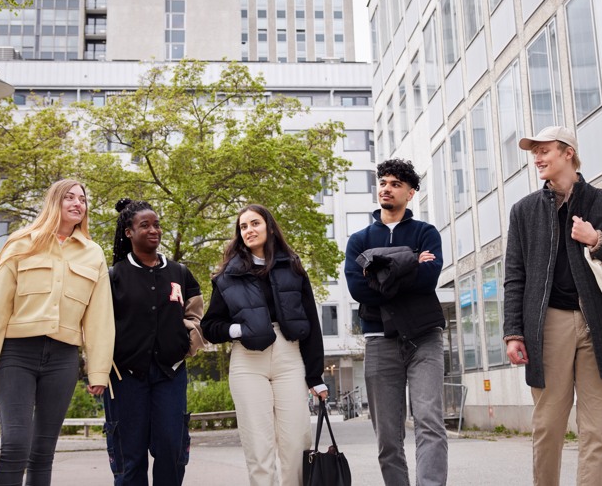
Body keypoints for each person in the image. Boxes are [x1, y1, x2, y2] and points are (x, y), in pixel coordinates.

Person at [503, 126, 602, 486]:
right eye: (533, 152)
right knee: (548, 428)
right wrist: (513, 332)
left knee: (596, 432)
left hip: (600, 325)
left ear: (568, 152)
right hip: (548, 325)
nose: (536, 157)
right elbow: (514, 276)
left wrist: (597, 240)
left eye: (544, 150)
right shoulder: (524, 212)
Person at [0, 179, 115, 486]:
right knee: (16, 445)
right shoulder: (21, 243)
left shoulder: (93, 254)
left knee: (43, 450)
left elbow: (100, 318)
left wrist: (98, 371)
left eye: (82, 199)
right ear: (54, 202)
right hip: (17, 354)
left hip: (63, 358)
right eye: (70, 198)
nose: (78, 203)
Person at [200, 204, 327, 486]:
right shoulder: (226, 277)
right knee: (258, 446)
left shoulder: (292, 267)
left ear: (269, 227)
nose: (249, 230)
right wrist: (239, 329)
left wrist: (315, 376)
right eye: (243, 227)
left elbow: (312, 324)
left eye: (254, 223)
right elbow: (210, 326)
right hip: (247, 361)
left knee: (297, 442)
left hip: (289, 356)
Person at [344, 158, 447, 486]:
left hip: (425, 337)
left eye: (395, 184)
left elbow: (428, 280)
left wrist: (380, 272)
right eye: (383, 183)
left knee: (429, 423)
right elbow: (358, 288)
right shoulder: (359, 241)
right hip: (379, 338)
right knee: (388, 437)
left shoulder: (425, 232)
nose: (386, 188)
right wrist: (411, 262)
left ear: (411, 193)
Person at [103, 199, 206, 485]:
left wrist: (186, 343)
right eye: (145, 225)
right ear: (128, 232)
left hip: (170, 375)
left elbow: (195, 315)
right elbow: (100, 326)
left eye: (157, 224)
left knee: (172, 450)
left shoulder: (180, 273)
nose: (154, 230)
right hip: (125, 377)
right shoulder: (113, 277)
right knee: (130, 456)